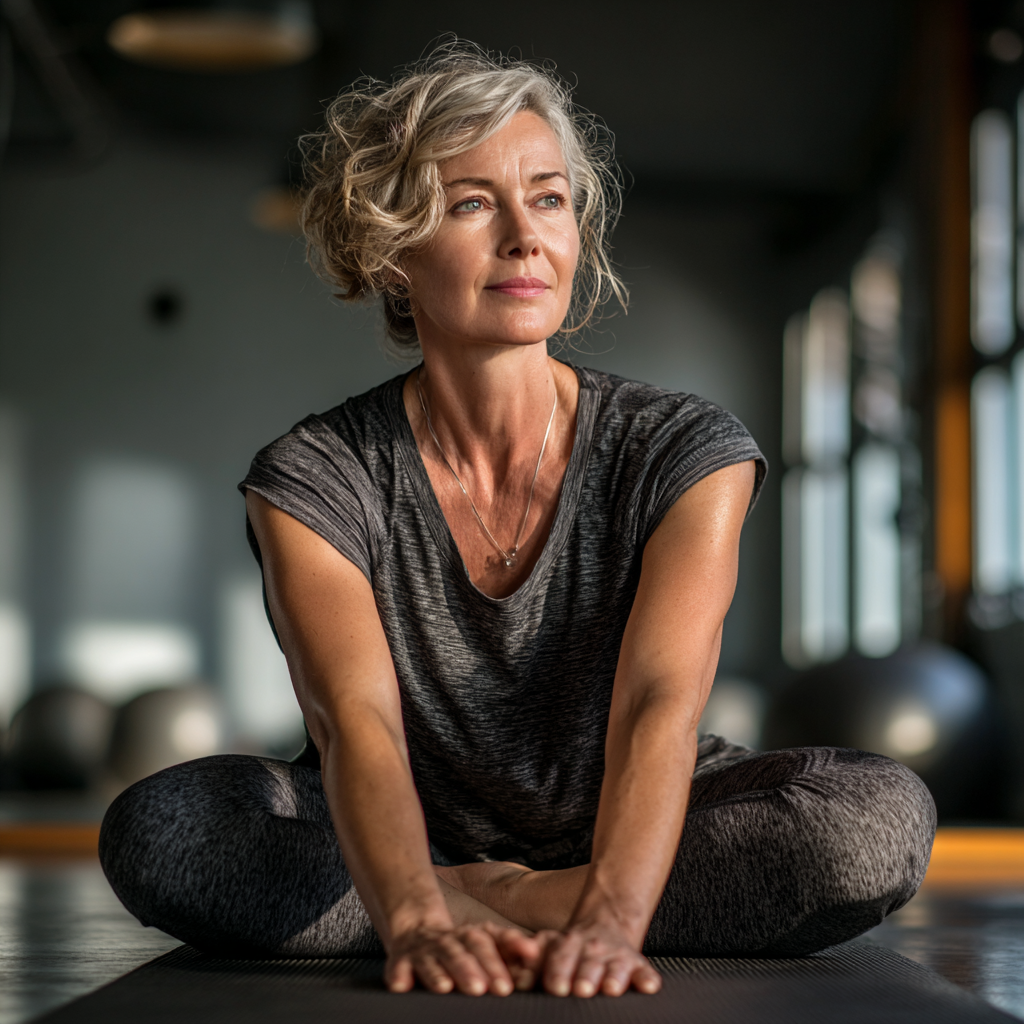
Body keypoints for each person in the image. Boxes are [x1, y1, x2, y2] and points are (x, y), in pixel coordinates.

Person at [99, 43, 936, 1000]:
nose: (525, 237)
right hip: (393, 827)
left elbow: (658, 703)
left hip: (642, 820)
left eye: (548, 198)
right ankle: (439, 899)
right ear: (390, 251)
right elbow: (352, 720)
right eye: (470, 203)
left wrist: (610, 916)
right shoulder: (314, 475)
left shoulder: (683, 448)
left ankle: (489, 906)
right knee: (161, 831)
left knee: (870, 823)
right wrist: (412, 908)